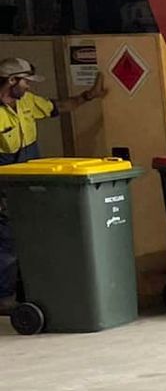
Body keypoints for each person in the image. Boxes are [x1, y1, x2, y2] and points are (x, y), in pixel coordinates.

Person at [1, 56, 108, 303]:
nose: (29, 86)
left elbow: (57, 107)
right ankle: (4, 296)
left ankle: (32, 290)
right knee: (7, 242)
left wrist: (88, 96)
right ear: (12, 80)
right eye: (26, 81)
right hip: (6, 184)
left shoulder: (26, 101)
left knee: (35, 236)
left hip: (31, 181)